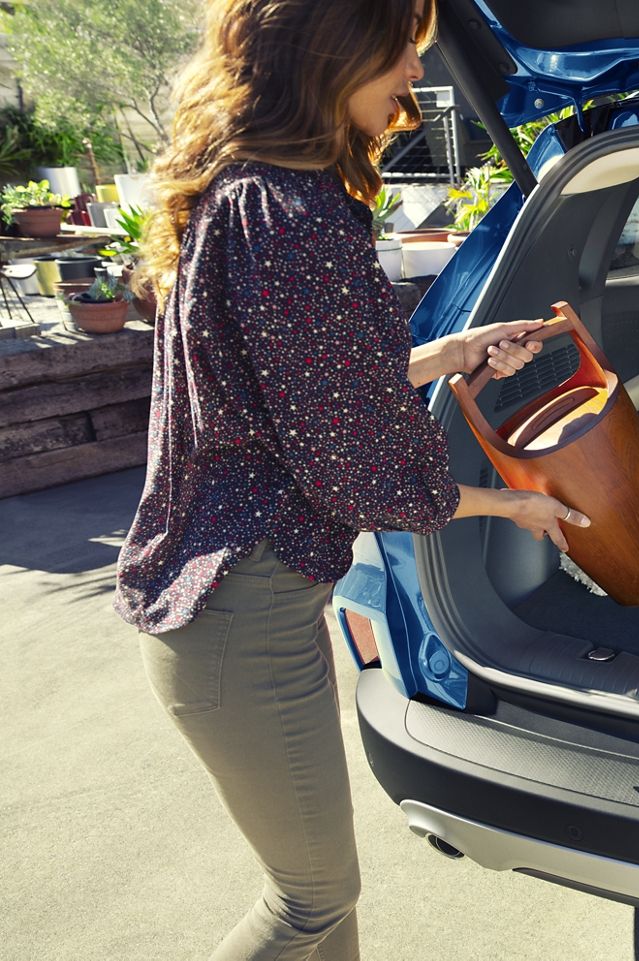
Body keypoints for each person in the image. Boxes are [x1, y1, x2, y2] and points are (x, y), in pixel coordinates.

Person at [113, 1, 588, 957]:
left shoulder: (246, 194)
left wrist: (452, 351)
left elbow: (305, 391)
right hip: (241, 618)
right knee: (310, 904)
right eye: (399, 53)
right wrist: (510, 503)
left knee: (325, 901)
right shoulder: (296, 217)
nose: (416, 75)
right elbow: (358, 468)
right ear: (331, 50)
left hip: (230, 610)